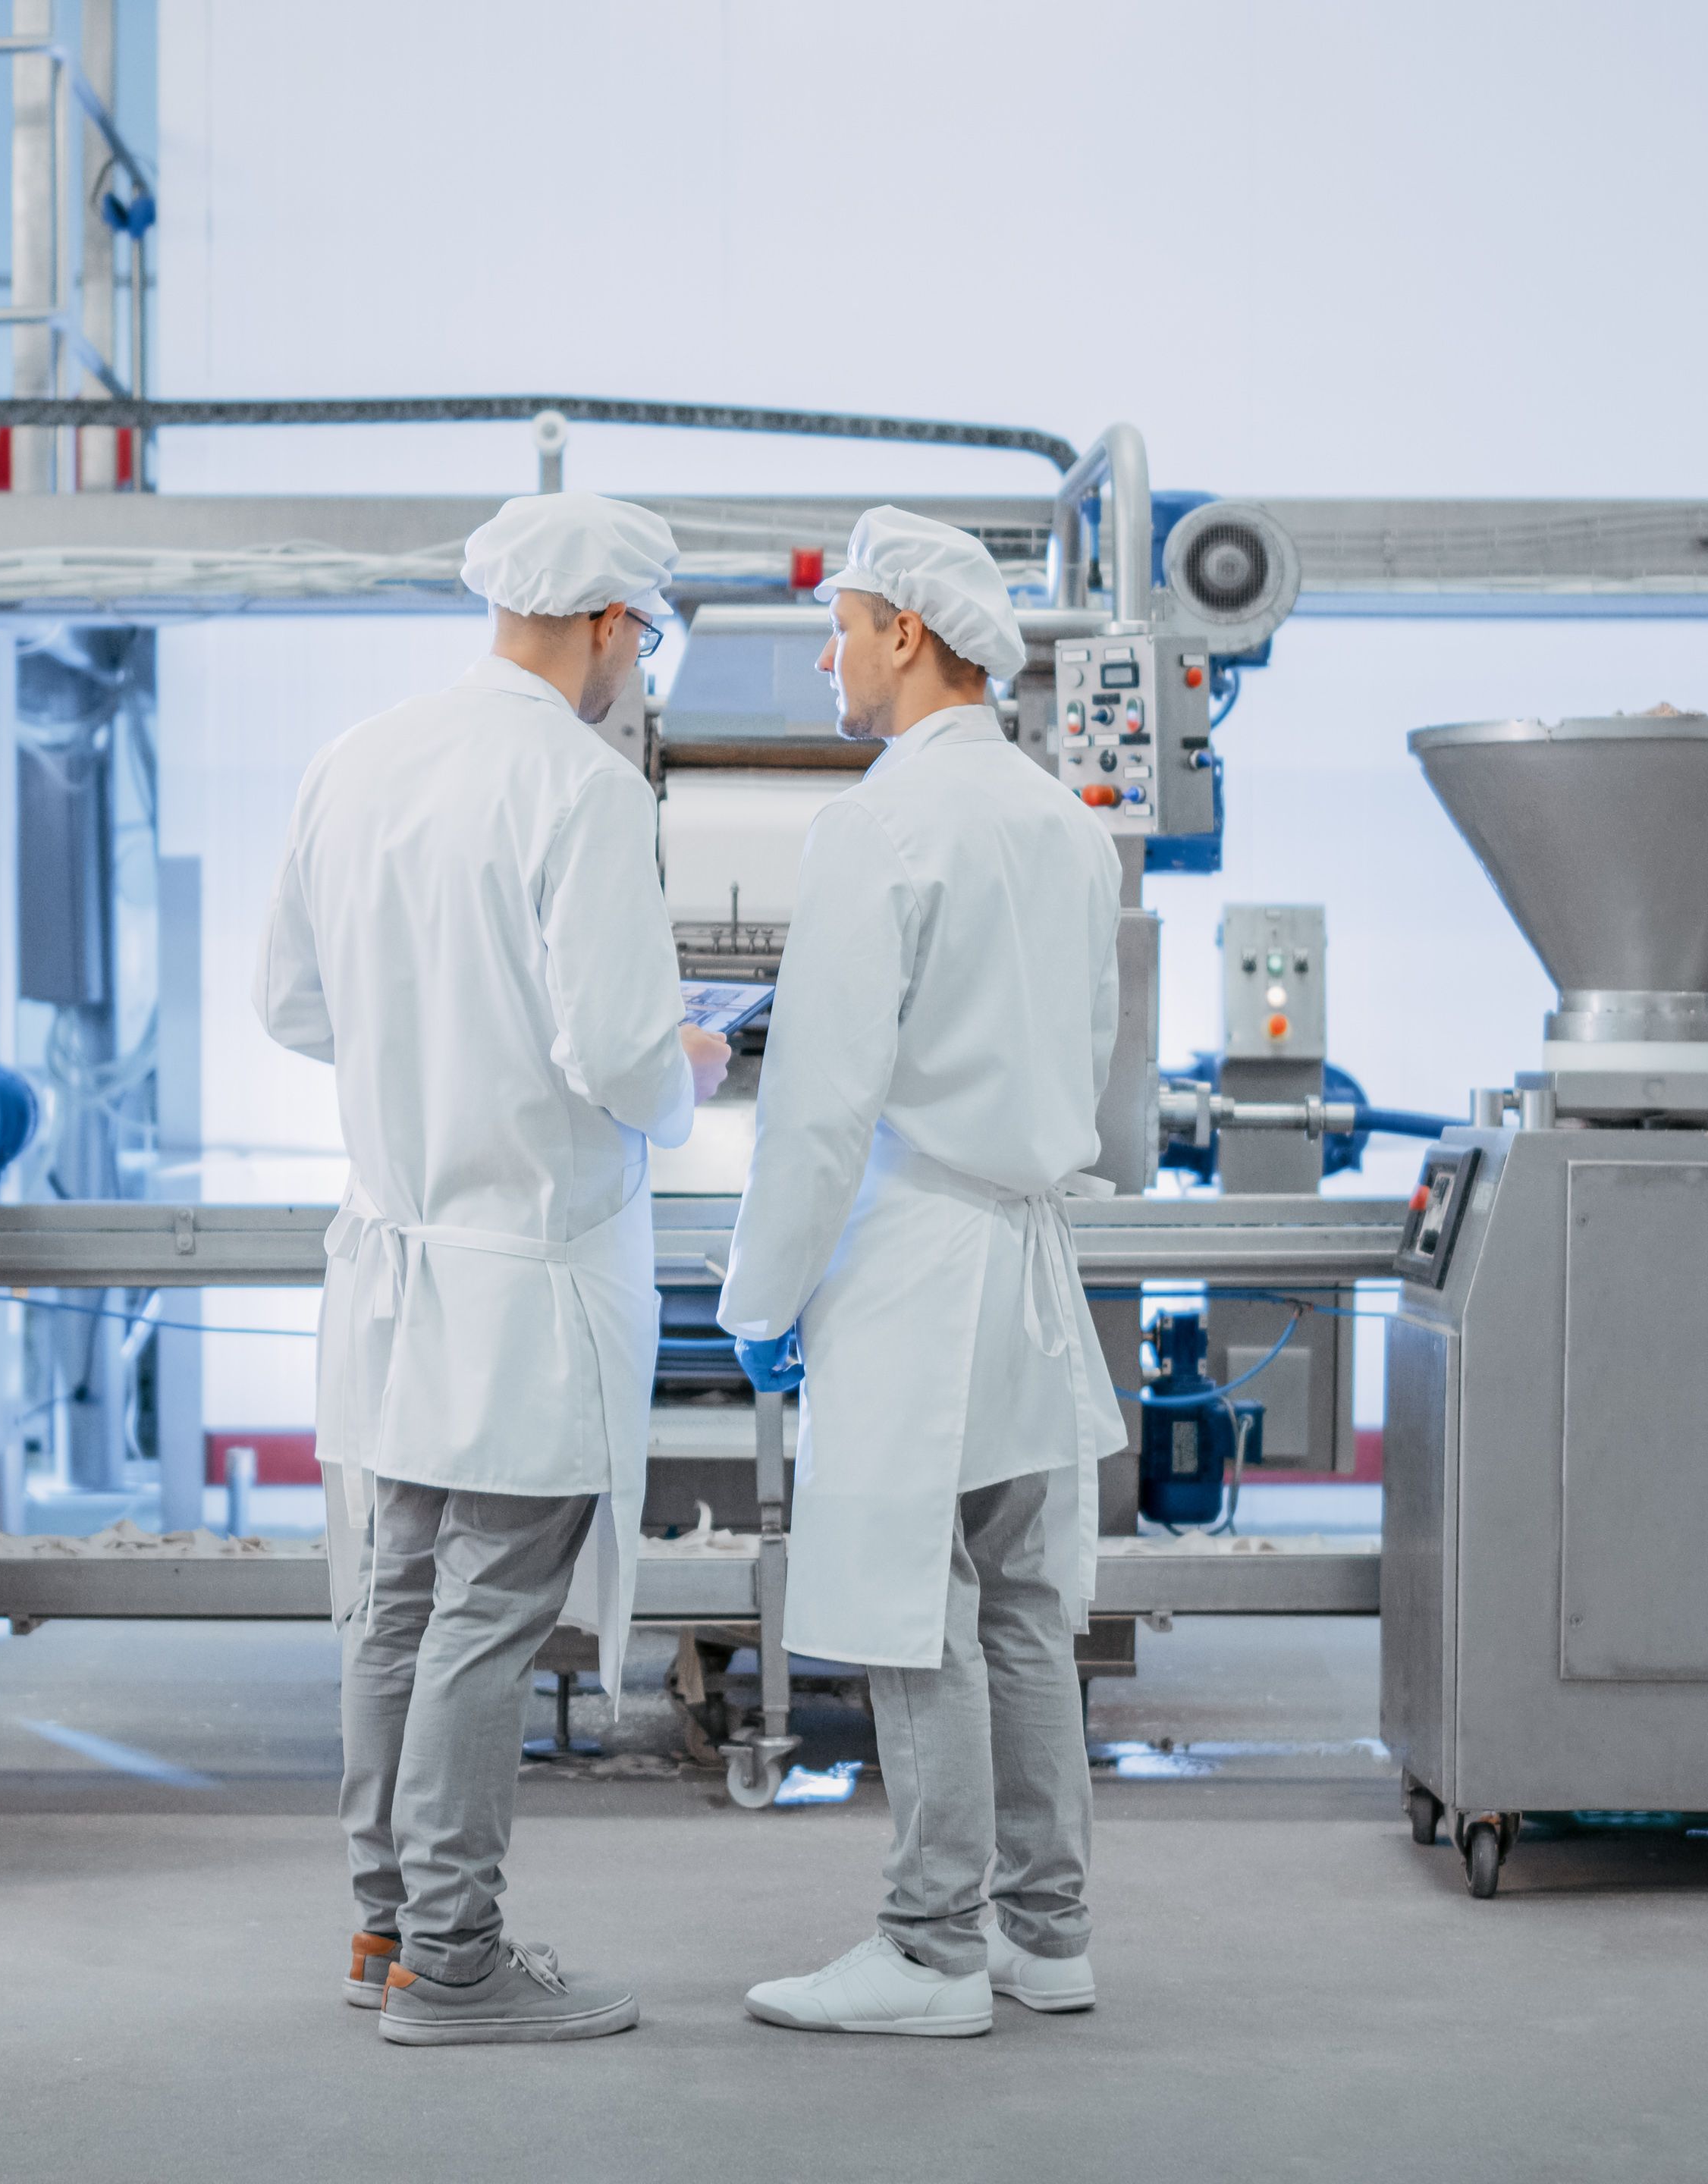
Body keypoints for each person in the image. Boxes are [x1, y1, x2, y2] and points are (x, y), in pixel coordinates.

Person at [255, 491, 730, 2048]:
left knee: (393, 1603)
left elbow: (293, 1007)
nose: (635, 674)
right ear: (607, 627)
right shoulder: (580, 790)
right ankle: (456, 1964)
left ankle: (385, 1931)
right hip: (527, 1270)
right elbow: (620, 1061)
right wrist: (698, 1062)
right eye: (641, 644)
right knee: (482, 1618)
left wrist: (428, 1051)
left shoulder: (358, 759)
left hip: (395, 1264)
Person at [717, 506, 1129, 2036]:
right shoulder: (1062, 821)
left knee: (919, 1613)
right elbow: (1084, 1057)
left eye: (840, 624)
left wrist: (758, 1297)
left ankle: (930, 1951)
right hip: (1027, 1254)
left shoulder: (878, 825)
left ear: (904, 633)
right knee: (1027, 1610)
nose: (828, 654)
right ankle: (1047, 1932)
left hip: (911, 1260)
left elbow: (818, 1104)